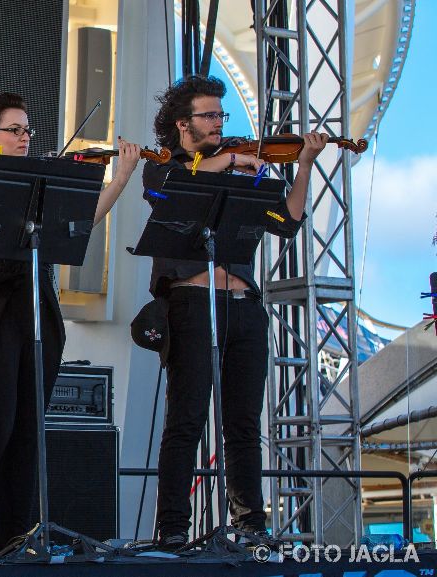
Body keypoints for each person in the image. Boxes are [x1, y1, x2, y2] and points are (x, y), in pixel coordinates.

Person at [0, 93, 140, 554]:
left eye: (28, 129)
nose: (25, 137)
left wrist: (122, 177)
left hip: (40, 305)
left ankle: (10, 531)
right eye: (14, 130)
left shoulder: (45, 180)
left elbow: (79, 223)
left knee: (29, 425)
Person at [142, 75, 327, 550]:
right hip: (191, 302)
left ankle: (250, 524)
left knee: (244, 424)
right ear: (184, 124)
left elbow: (286, 220)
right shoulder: (167, 165)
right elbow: (165, 193)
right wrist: (229, 162)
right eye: (210, 115)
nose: (219, 124)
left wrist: (303, 164)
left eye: (222, 116)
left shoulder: (242, 171)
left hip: (244, 304)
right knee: (185, 420)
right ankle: (174, 528)